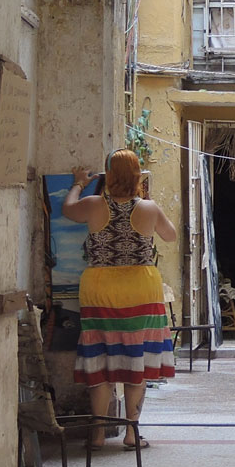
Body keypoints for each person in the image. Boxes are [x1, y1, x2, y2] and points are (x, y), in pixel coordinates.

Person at [63, 148, 177, 449]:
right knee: (136, 361)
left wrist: (79, 183)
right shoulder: (149, 208)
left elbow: (67, 209)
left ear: (108, 175)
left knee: (101, 360)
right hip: (141, 288)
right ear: (138, 176)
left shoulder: (92, 205)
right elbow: (171, 236)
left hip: (100, 288)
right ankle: (131, 433)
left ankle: (98, 435)